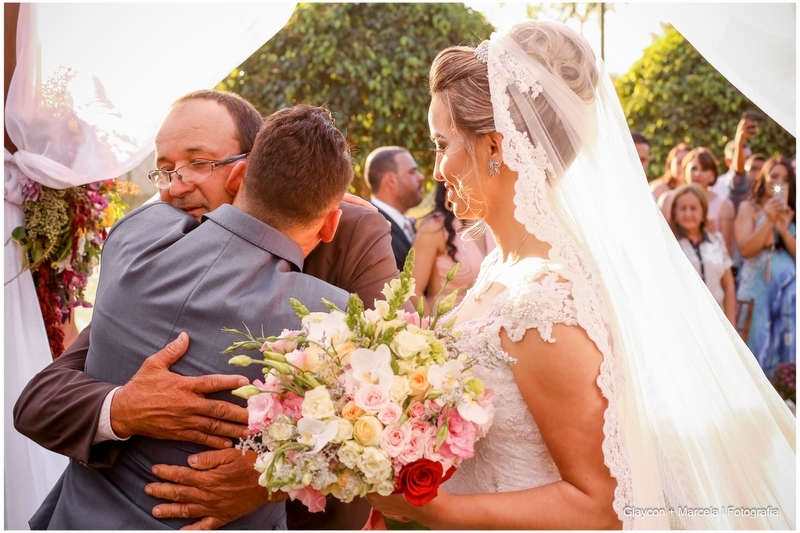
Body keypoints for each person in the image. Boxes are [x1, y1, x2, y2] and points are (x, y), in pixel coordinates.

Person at [366, 20, 795, 529]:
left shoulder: (546, 300)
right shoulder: (504, 268)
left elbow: (603, 505)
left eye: (442, 143)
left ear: (495, 147)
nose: (437, 170)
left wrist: (440, 511)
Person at [14, 91, 390, 529]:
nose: (175, 185)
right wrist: (124, 408)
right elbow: (38, 400)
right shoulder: (148, 249)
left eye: (199, 163)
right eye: (165, 169)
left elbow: (379, 418)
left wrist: (272, 474)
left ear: (242, 171)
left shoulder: (354, 235)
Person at [734, 155, 796, 378]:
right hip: (755, 295)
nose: (779, 182)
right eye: (774, 176)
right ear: (764, 177)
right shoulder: (748, 208)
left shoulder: (792, 212)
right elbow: (746, 249)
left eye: (785, 178)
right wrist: (767, 219)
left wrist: (783, 229)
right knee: (753, 355)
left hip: (788, 298)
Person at [409, 181, 494, 310]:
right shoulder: (435, 227)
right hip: (444, 324)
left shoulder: (489, 224)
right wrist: (430, 329)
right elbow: (413, 291)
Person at [670, 184, 736, 324]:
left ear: (703, 211)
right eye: (682, 208)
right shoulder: (670, 245)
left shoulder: (716, 240)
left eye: (693, 208)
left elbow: (728, 286)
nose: (688, 214)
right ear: (675, 212)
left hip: (718, 320)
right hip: (686, 323)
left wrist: (732, 326)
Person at [661, 147, 736, 256]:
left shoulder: (725, 205)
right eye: (693, 168)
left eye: (704, 169)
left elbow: (727, 251)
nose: (698, 174)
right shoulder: (667, 199)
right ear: (684, 169)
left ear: (713, 174)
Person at [365, 146, 426, 270]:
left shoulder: (406, 223)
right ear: (391, 180)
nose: (421, 177)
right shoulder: (370, 227)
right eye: (412, 172)